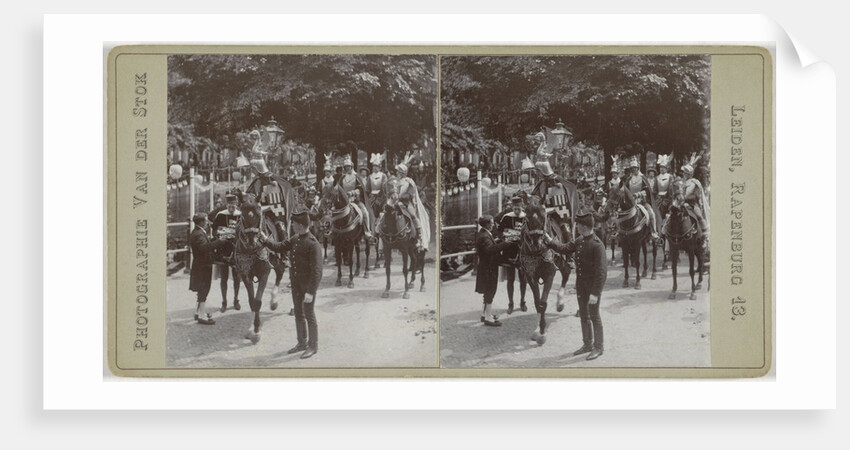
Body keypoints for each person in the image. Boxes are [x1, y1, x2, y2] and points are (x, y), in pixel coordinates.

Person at [544, 211, 607, 360]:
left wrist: (595, 293)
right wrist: (549, 240)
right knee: (584, 315)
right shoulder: (580, 239)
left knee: (594, 316)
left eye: (578, 224)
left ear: (584, 226)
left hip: (592, 287)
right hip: (581, 285)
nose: (576, 226)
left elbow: (602, 273)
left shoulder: (597, 245)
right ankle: (587, 344)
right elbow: (565, 248)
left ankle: (599, 347)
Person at [262, 210, 324, 359]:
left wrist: (311, 291)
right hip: (296, 284)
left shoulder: (313, 243)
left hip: (307, 286)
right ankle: (301, 343)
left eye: (295, 224)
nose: (293, 226)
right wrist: (265, 240)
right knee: (298, 313)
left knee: (309, 314)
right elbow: (279, 247)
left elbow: (317, 271)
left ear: (301, 225)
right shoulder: (296, 238)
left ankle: (313, 346)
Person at [189, 213, 231, 325]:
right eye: (206, 220)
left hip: (200, 266)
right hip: (203, 267)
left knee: (201, 291)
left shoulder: (198, 232)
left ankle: (199, 312)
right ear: (202, 222)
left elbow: (205, 244)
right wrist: (219, 242)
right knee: (204, 290)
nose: (208, 222)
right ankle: (202, 316)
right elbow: (203, 248)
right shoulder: (199, 234)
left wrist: (214, 240)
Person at [475, 215, 512, 327]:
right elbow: (490, 250)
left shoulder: (483, 233)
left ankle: (485, 314)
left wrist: (499, 240)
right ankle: (488, 318)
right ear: (486, 224)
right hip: (489, 268)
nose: (493, 225)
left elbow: (489, 244)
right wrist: (506, 243)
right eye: (491, 223)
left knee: (487, 292)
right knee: (491, 291)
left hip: (486, 267)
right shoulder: (485, 236)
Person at [212, 193, 243, 312]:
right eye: (230, 205)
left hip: (236, 249)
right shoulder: (220, 215)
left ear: (237, 204)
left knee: (237, 276)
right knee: (223, 277)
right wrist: (221, 234)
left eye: (234, 205)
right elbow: (214, 231)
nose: (232, 207)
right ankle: (224, 301)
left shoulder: (240, 216)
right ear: (226, 204)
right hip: (223, 249)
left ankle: (236, 299)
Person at [497, 194, 527, 314]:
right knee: (510, 279)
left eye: (519, 207)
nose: (517, 210)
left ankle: (522, 301)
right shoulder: (506, 217)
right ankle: (510, 303)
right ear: (512, 207)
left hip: (523, 251)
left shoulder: (526, 217)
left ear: (522, 206)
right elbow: (499, 231)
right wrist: (505, 238)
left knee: (523, 278)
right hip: (509, 250)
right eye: (515, 207)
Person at [337, 154, 372, 238]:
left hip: (355, 200)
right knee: (334, 212)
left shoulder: (356, 176)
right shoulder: (342, 178)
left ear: (351, 166)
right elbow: (339, 188)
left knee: (365, 212)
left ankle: (367, 231)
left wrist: (352, 193)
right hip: (344, 201)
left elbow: (360, 189)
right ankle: (333, 230)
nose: (347, 168)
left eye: (349, 166)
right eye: (346, 167)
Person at [681, 154, 710, 239]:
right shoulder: (682, 183)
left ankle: (705, 233)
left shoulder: (694, 182)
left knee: (699, 216)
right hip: (681, 204)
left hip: (692, 204)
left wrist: (685, 199)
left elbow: (695, 195)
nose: (684, 174)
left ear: (689, 174)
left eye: (685, 173)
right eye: (684, 173)